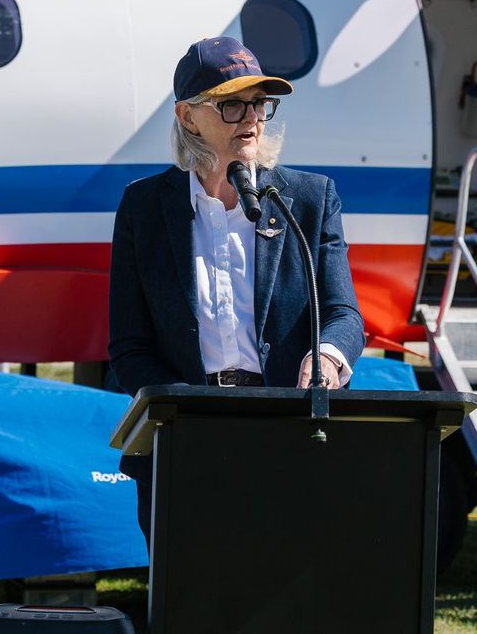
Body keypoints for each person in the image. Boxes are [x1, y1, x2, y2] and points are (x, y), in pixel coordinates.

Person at [108, 35, 365, 542]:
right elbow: (128, 345)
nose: (251, 118)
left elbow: (344, 315)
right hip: (184, 441)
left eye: (259, 104)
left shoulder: (310, 199)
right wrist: (184, 413)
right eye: (231, 105)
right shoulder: (143, 209)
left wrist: (328, 358)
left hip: (290, 433)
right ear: (187, 116)